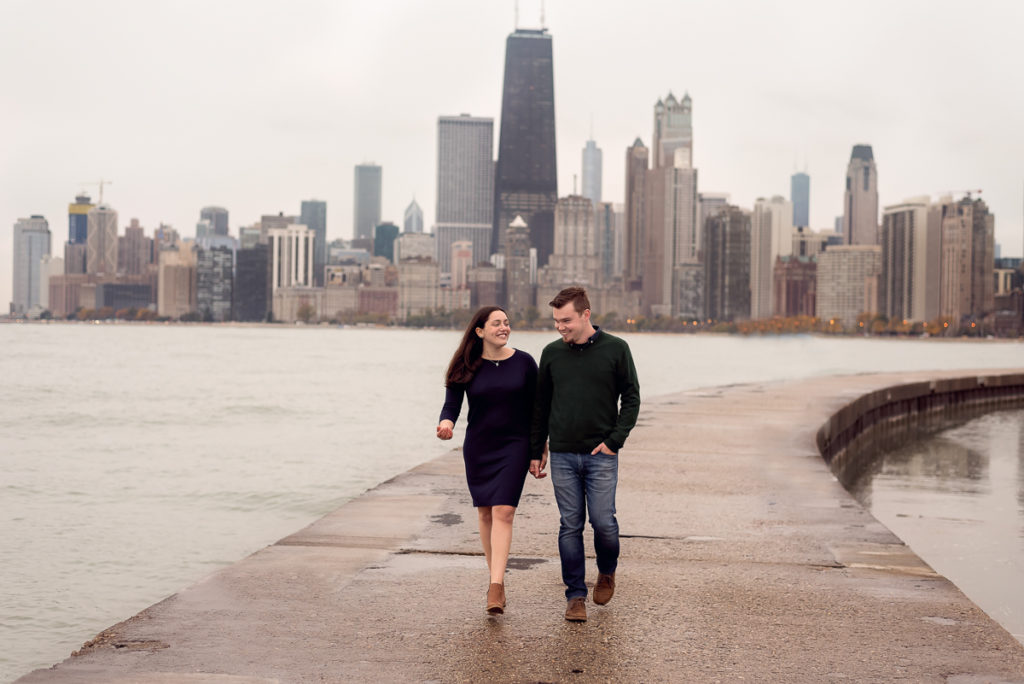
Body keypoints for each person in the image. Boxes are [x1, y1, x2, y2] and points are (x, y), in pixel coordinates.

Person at [530, 287, 641, 622]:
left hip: (601, 454)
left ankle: (606, 572)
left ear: (585, 314)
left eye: (566, 320)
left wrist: (614, 441)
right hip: (563, 454)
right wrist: (537, 449)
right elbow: (540, 406)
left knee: (604, 523)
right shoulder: (551, 354)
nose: (560, 326)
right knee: (570, 525)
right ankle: (575, 596)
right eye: (556, 321)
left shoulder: (617, 349)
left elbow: (632, 399)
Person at [437, 306, 543, 615]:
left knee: (504, 511)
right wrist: (447, 423)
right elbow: (451, 404)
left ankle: (495, 587)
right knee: (485, 513)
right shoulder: (467, 365)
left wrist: (539, 449)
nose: (504, 327)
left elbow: (538, 409)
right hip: (480, 446)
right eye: (496, 323)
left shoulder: (525, 363)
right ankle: (495, 578)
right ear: (480, 331)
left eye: (507, 323)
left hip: (516, 444)